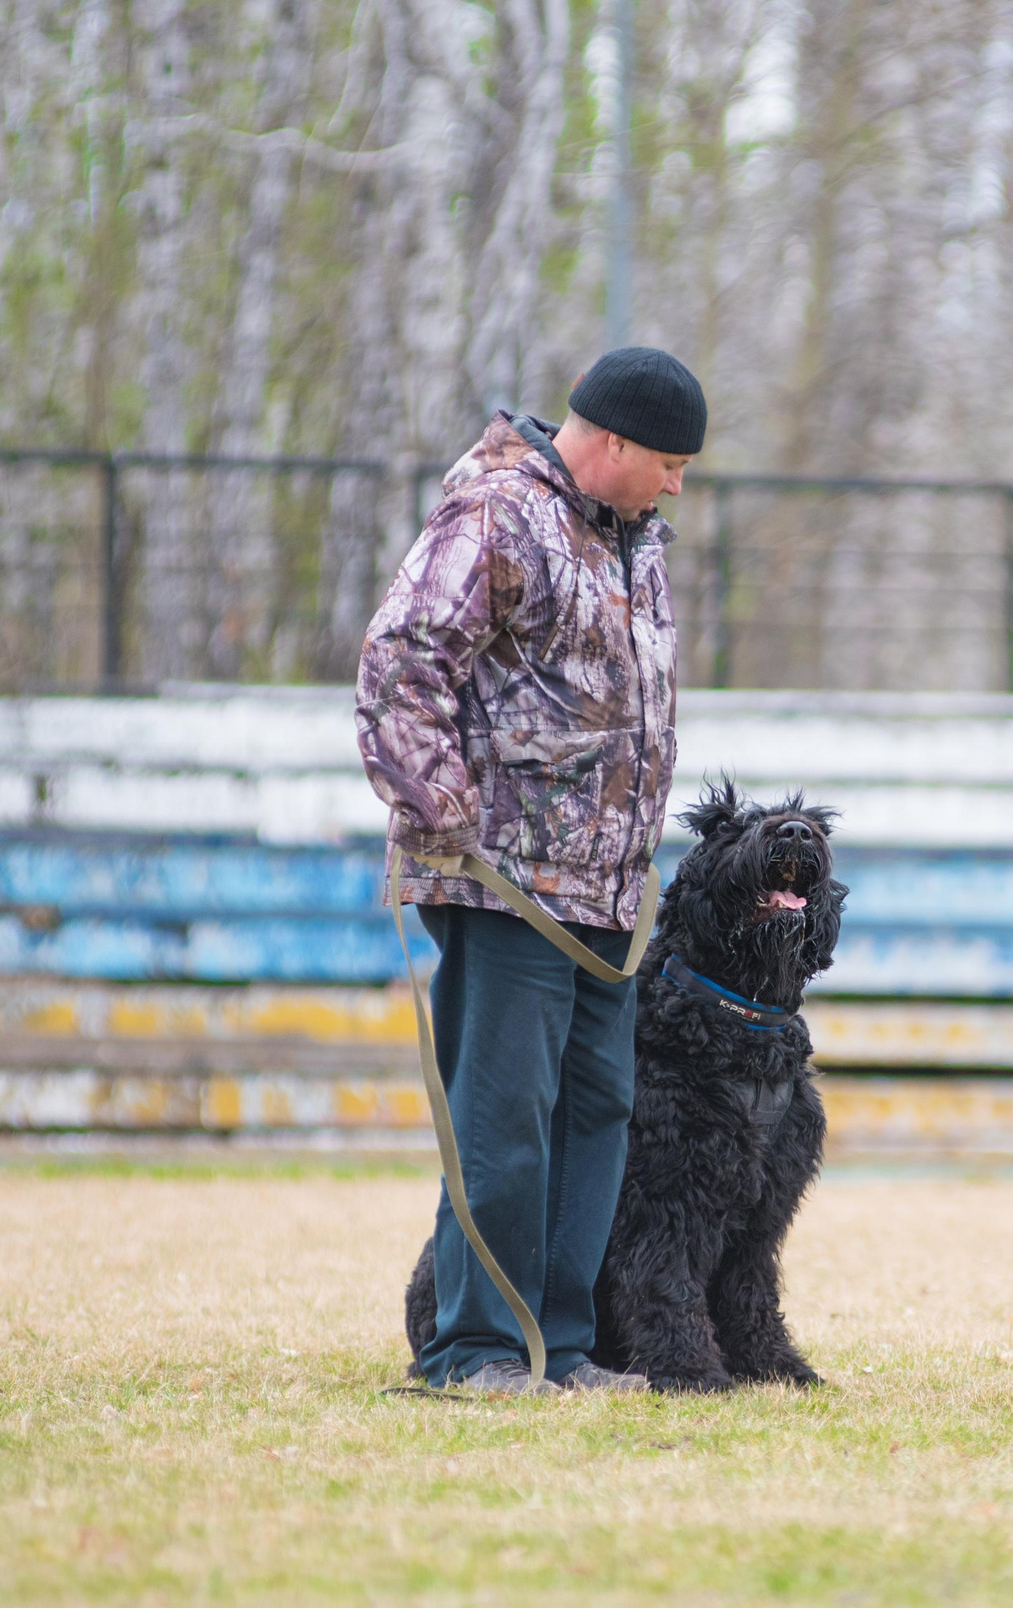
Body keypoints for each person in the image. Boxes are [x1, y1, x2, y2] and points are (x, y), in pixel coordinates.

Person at [357, 347, 703, 1395]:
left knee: (593, 1114)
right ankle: (472, 1347)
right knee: (504, 1122)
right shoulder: (499, 512)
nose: (680, 483)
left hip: (604, 888)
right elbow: (399, 663)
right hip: (503, 883)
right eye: (671, 463)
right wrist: (446, 815)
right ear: (608, 442)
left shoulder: (632, 538)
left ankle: (559, 1344)